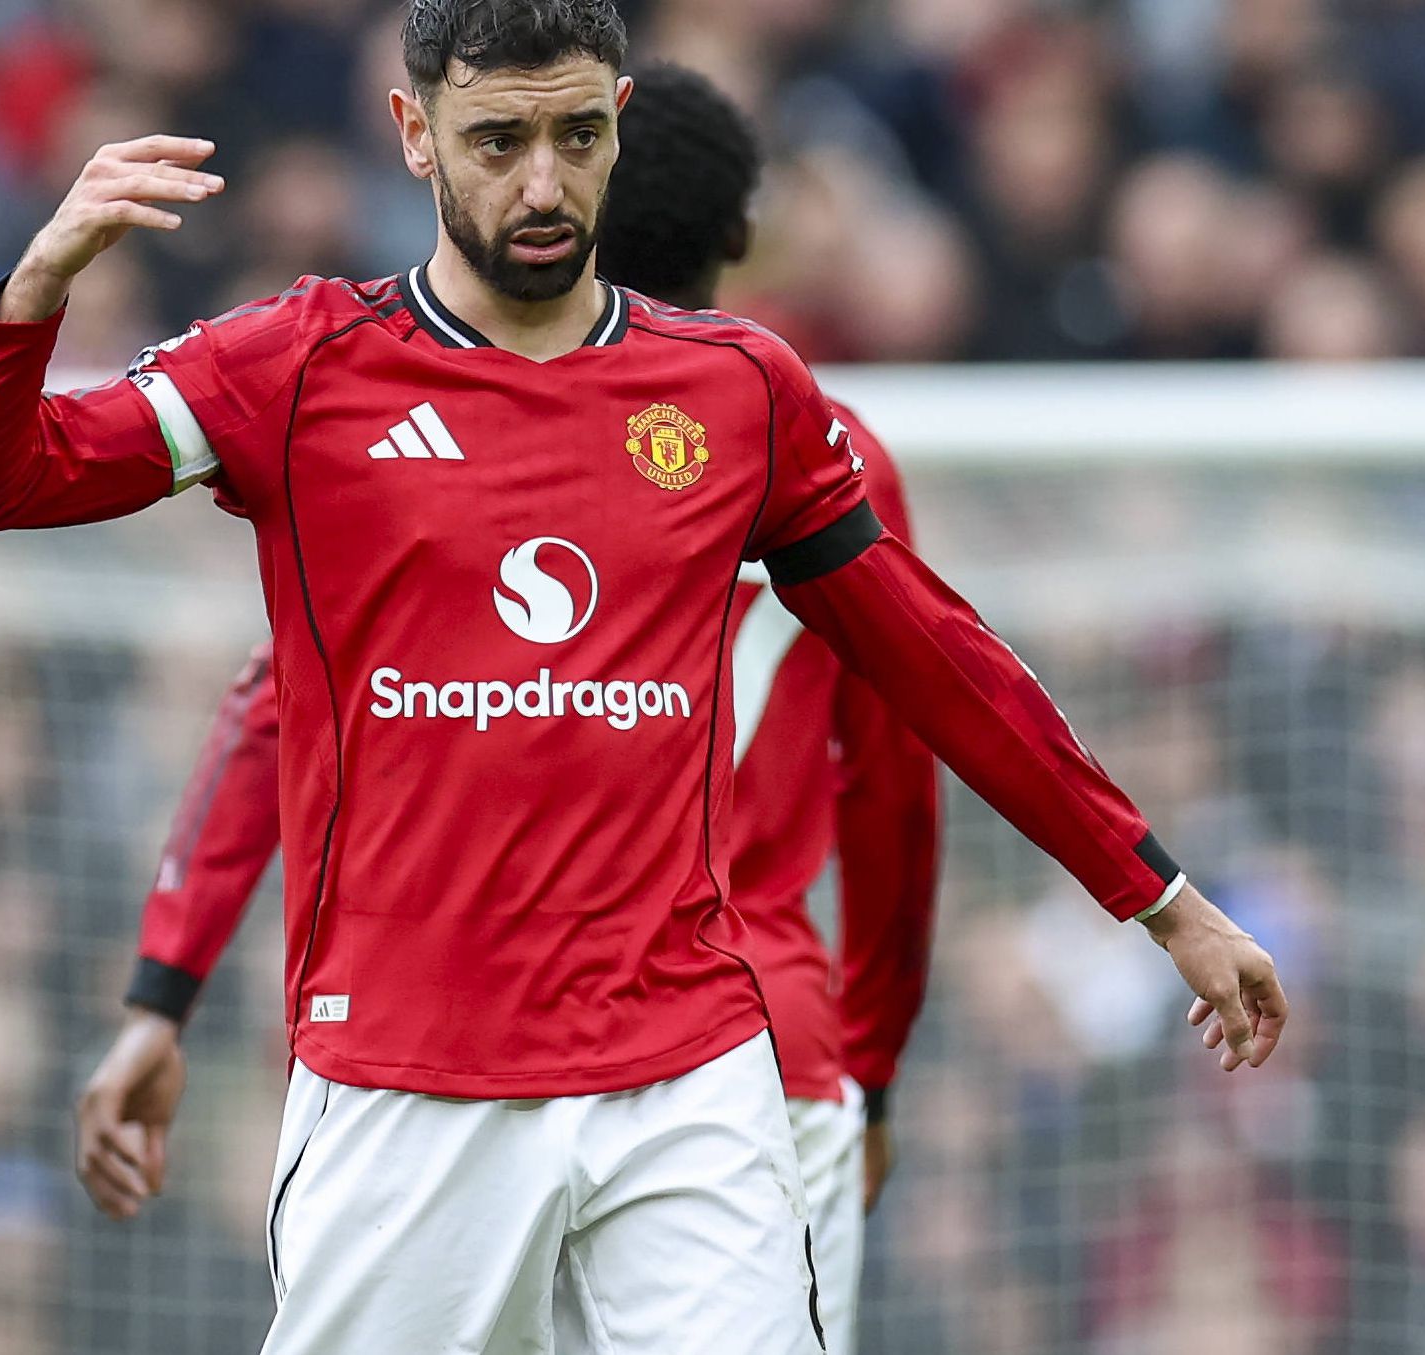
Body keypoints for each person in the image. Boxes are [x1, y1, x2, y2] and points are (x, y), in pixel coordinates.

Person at [0, 3, 1287, 1350]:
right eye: (499, 138)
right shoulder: (297, 365)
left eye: (577, 135)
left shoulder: (738, 392)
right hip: (407, 1078)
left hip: (687, 1074)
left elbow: (936, 666)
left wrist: (1160, 900)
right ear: (414, 133)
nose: (542, 181)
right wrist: (39, 284)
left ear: (618, 126)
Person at [97, 64, 938, 1355]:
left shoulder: (465, 440)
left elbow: (274, 714)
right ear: (733, 240)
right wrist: (872, 1058)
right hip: (758, 1052)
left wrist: (166, 986)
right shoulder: (818, 442)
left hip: (476, 1049)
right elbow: (897, 778)